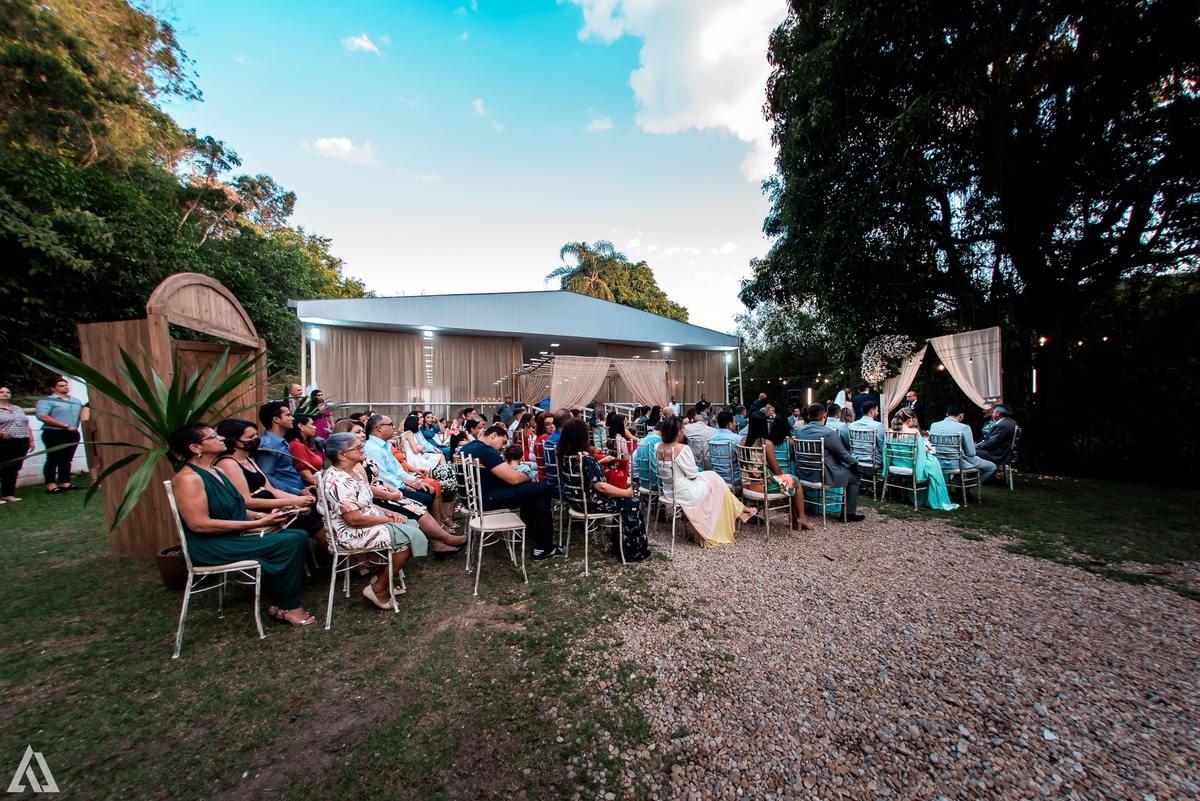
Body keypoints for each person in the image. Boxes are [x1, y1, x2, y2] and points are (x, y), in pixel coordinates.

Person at [169, 422, 315, 626]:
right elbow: (199, 525)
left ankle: (282, 602)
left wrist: (263, 516)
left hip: (228, 538)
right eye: (212, 437)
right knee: (288, 542)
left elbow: (235, 507)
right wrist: (256, 523)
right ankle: (289, 606)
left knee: (298, 535)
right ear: (195, 448)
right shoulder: (188, 478)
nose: (220, 438)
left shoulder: (215, 471)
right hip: (207, 546)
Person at [321, 432, 423, 608]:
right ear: (341, 455)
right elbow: (353, 520)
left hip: (367, 520)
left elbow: (366, 504)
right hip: (348, 533)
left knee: (410, 523)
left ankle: (382, 578)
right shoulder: (337, 481)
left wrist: (386, 512)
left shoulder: (354, 473)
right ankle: (378, 587)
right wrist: (386, 521)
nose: (363, 448)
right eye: (358, 447)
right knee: (405, 539)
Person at [215, 418, 329, 553]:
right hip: (259, 515)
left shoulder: (248, 459)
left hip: (273, 508)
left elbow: (269, 489)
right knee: (316, 523)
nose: (257, 439)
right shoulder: (228, 464)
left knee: (319, 511)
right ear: (233, 441)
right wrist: (293, 501)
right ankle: (333, 556)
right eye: (251, 437)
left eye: (256, 435)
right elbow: (246, 501)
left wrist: (300, 497)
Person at [459, 423, 564, 561]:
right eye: (502, 442)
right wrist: (528, 476)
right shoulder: (485, 451)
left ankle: (529, 530)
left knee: (530, 490)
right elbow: (513, 479)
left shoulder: (468, 447)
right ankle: (544, 548)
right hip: (485, 498)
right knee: (542, 490)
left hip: (473, 498)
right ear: (493, 435)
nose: (503, 447)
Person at [556, 418, 650, 561]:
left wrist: (598, 462)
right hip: (591, 502)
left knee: (625, 501)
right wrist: (626, 492)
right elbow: (601, 487)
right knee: (632, 504)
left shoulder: (565, 456)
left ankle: (619, 543)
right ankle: (631, 551)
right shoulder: (586, 459)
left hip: (575, 501)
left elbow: (580, 473)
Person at [657, 416, 756, 547]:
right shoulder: (682, 449)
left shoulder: (658, 447)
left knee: (713, 478)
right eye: (683, 428)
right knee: (717, 484)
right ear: (678, 431)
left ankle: (740, 511)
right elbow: (692, 475)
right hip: (685, 492)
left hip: (669, 490)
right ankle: (739, 511)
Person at [363, 414, 452, 527]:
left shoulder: (384, 445)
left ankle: (437, 526)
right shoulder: (373, 450)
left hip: (398, 483)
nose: (394, 427)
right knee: (427, 496)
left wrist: (415, 481)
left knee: (430, 489)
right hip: (390, 490)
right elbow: (384, 478)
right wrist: (405, 485)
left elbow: (398, 470)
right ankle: (434, 529)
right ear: (379, 427)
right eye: (390, 424)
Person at [794, 404, 864, 523]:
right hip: (824, 474)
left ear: (809, 416)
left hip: (803, 473)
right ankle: (849, 514)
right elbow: (844, 456)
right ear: (825, 415)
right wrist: (856, 463)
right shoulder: (828, 433)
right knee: (855, 477)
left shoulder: (799, 431)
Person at [741, 411, 810, 530]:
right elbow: (776, 469)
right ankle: (801, 518)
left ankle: (795, 518)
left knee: (787, 482)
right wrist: (782, 473)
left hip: (748, 484)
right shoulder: (765, 443)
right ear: (764, 425)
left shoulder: (743, 441)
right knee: (795, 481)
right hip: (763, 485)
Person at [884, 407, 959, 510]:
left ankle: (922, 497)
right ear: (910, 419)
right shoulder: (914, 432)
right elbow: (919, 453)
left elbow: (889, 451)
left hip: (897, 463)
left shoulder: (890, 432)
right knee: (934, 464)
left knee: (932, 463)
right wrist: (928, 449)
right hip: (912, 464)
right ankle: (932, 498)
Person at [35, 376, 86, 493]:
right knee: (53, 459)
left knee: (67, 459)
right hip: (54, 433)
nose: (65, 387)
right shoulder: (47, 400)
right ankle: (51, 485)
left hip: (72, 433)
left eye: (66, 384)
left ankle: (65, 483)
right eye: (61, 386)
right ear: (52, 388)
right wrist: (65, 425)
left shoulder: (76, 401)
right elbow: (42, 416)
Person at [930, 404, 997, 485]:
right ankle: (968, 486)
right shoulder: (964, 427)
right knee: (991, 466)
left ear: (947, 414)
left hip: (938, 461)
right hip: (957, 463)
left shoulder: (934, 425)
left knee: (963, 458)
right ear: (961, 415)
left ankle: (961, 485)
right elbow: (971, 453)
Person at [254, 402, 306, 495]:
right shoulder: (268, 445)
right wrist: (297, 492)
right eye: (288, 415)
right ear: (276, 419)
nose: (292, 418)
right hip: (287, 497)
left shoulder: (279, 442)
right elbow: (266, 476)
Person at [0, 384, 33, 502]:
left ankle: (8, 494)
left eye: (7, 392)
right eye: (2, 392)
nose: (5, 393)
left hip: (21, 441)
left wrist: (31, 439)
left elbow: (26, 424)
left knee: (13, 468)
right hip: (4, 442)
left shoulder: (17, 408)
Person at [848, 400, 887, 476]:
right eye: (877, 410)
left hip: (856, 458)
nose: (878, 413)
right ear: (872, 412)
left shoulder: (852, 425)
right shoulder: (878, 426)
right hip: (873, 460)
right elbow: (882, 447)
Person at [284, 414, 323, 487]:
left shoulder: (302, 445)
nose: (315, 427)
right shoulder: (297, 446)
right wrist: (327, 487)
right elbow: (306, 476)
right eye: (312, 424)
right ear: (301, 426)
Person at [975, 404, 1017, 470]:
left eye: (993, 412)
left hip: (998, 454)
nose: (992, 413)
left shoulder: (1002, 425)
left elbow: (991, 442)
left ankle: (977, 476)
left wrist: (975, 447)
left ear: (998, 413)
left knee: (970, 453)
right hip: (1002, 451)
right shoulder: (1011, 422)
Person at [707, 410, 742, 486]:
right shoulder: (737, 439)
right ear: (729, 424)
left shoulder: (711, 439)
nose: (735, 424)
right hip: (733, 479)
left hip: (717, 478)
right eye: (734, 422)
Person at [532, 412, 555, 482]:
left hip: (542, 476)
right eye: (547, 424)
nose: (552, 426)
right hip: (549, 478)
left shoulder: (539, 438)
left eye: (553, 423)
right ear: (542, 426)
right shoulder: (546, 439)